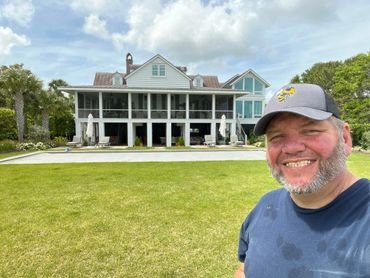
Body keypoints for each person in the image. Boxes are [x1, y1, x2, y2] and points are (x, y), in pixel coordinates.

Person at [235, 83, 370, 278]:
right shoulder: (265, 207)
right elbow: (245, 270)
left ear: (345, 138)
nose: (292, 148)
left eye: (310, 131)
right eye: (277, 136)